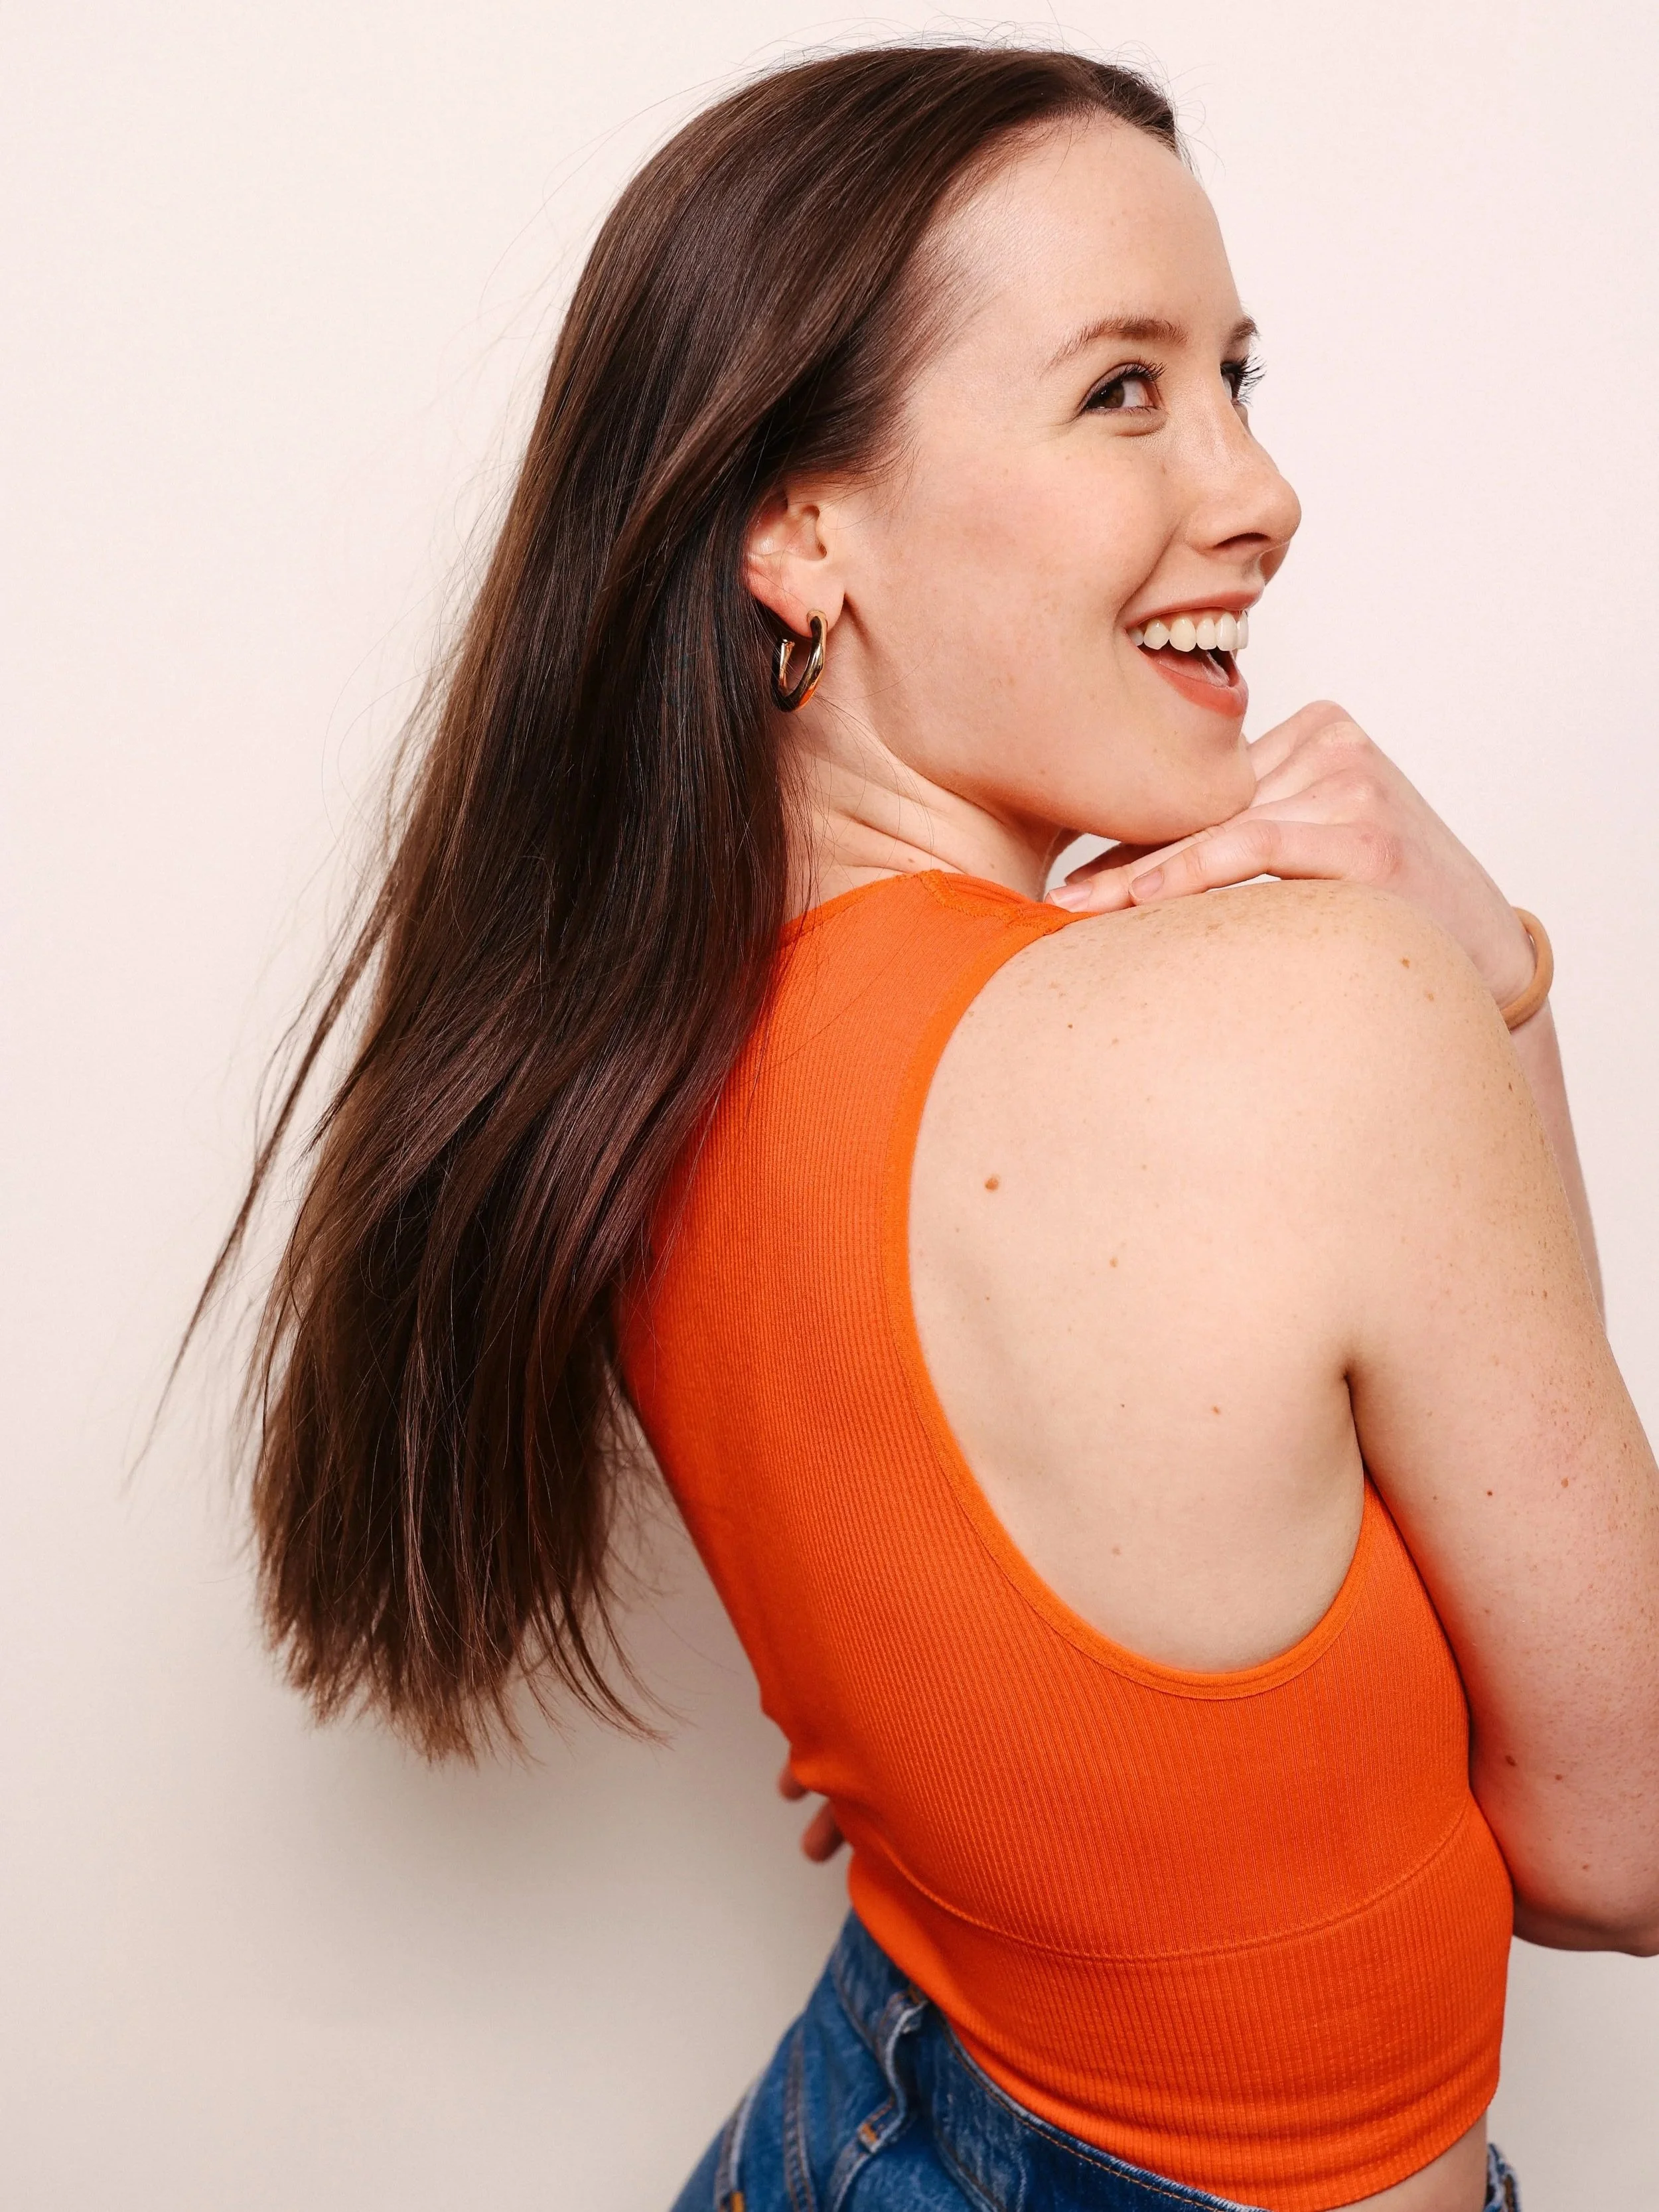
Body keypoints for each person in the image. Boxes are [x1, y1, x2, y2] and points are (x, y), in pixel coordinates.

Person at [201, 42, 1659, 2212]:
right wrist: (1487, 973)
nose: (1257, 489)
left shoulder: (630, 1069)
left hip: (858, 2126)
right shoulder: (1319, 1014)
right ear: (801, 529)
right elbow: (1617, 1841)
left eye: (1239, 374)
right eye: (1122, 390)